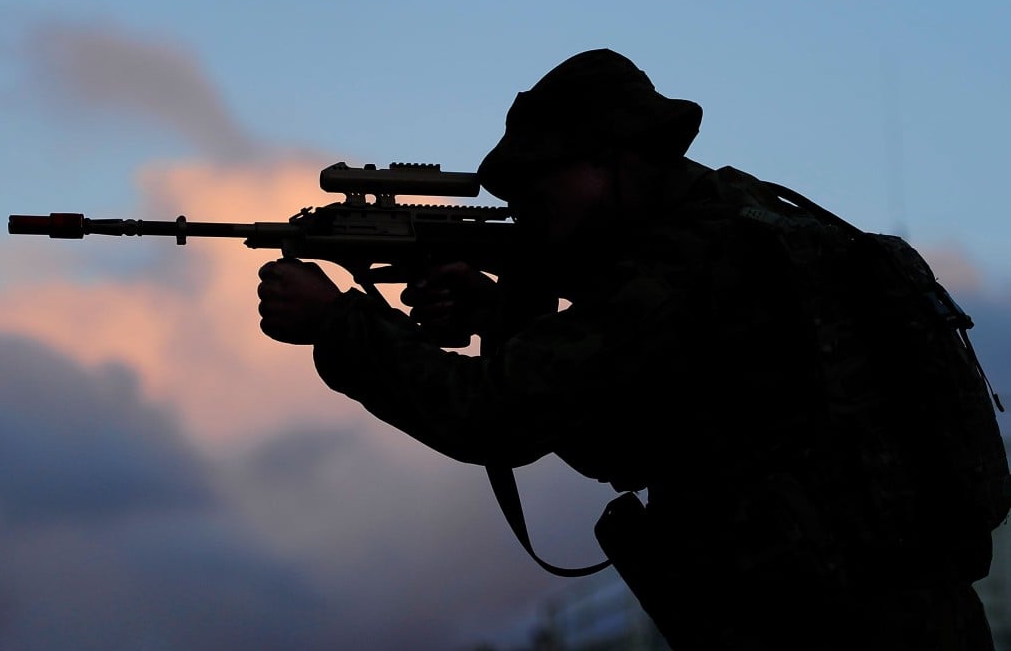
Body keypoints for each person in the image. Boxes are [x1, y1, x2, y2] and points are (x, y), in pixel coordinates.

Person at [256, 48, 1008, 649]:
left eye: (542, 184)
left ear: (615, 160)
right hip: (880, 608)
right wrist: (498, 310)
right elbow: (623, 439)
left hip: (831, 620)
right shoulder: (738, 224)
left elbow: (495, 417)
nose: (529, 211)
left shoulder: (683, 264)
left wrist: (338, 325)